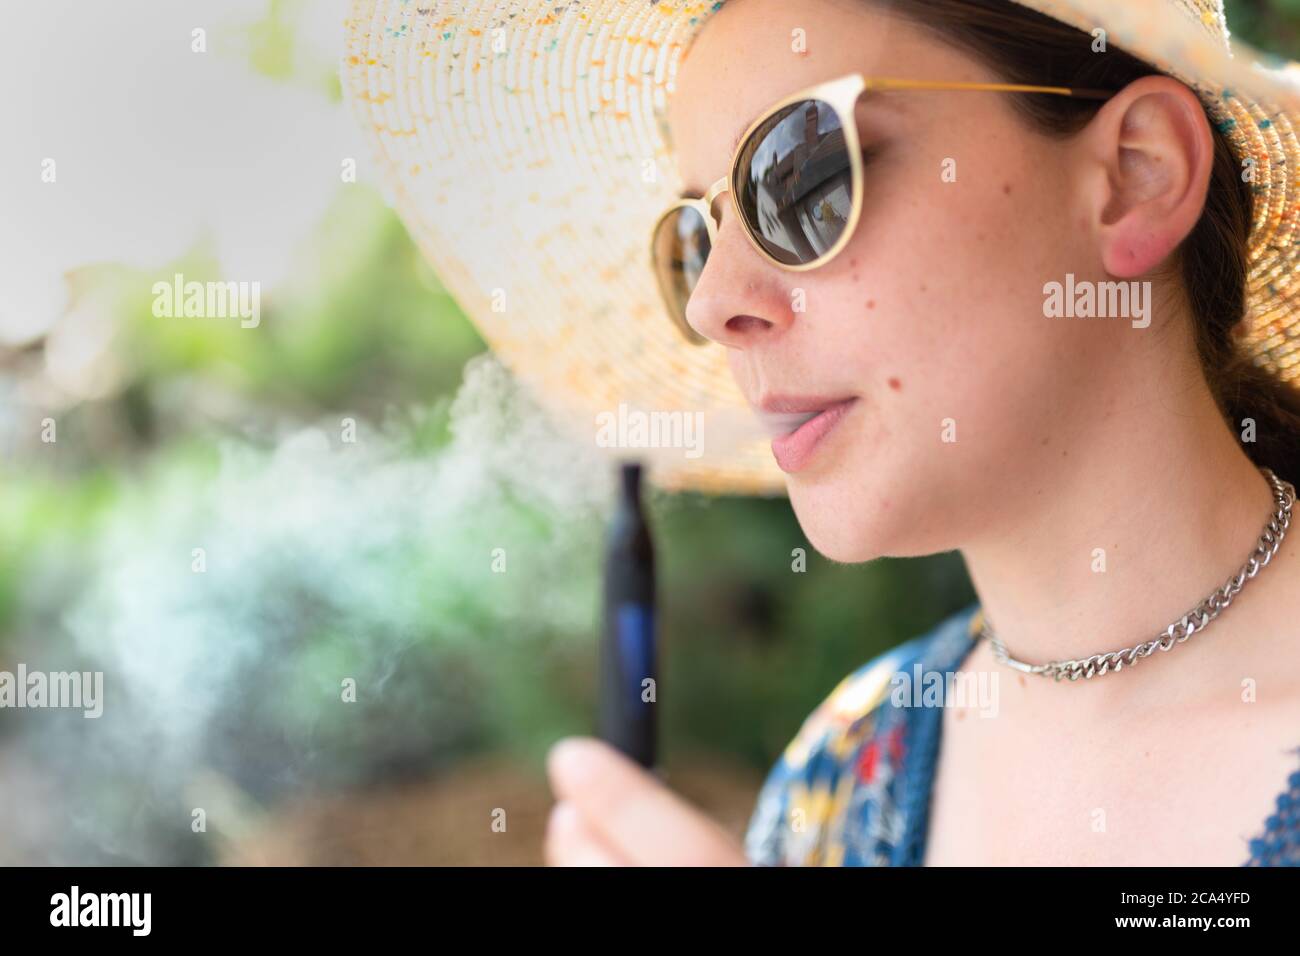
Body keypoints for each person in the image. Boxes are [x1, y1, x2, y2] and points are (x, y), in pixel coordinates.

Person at [345, 0, 1300, 865]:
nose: (716, 303)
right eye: (695, 238)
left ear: (1137, 175)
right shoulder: (837, 778)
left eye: (799, 177)